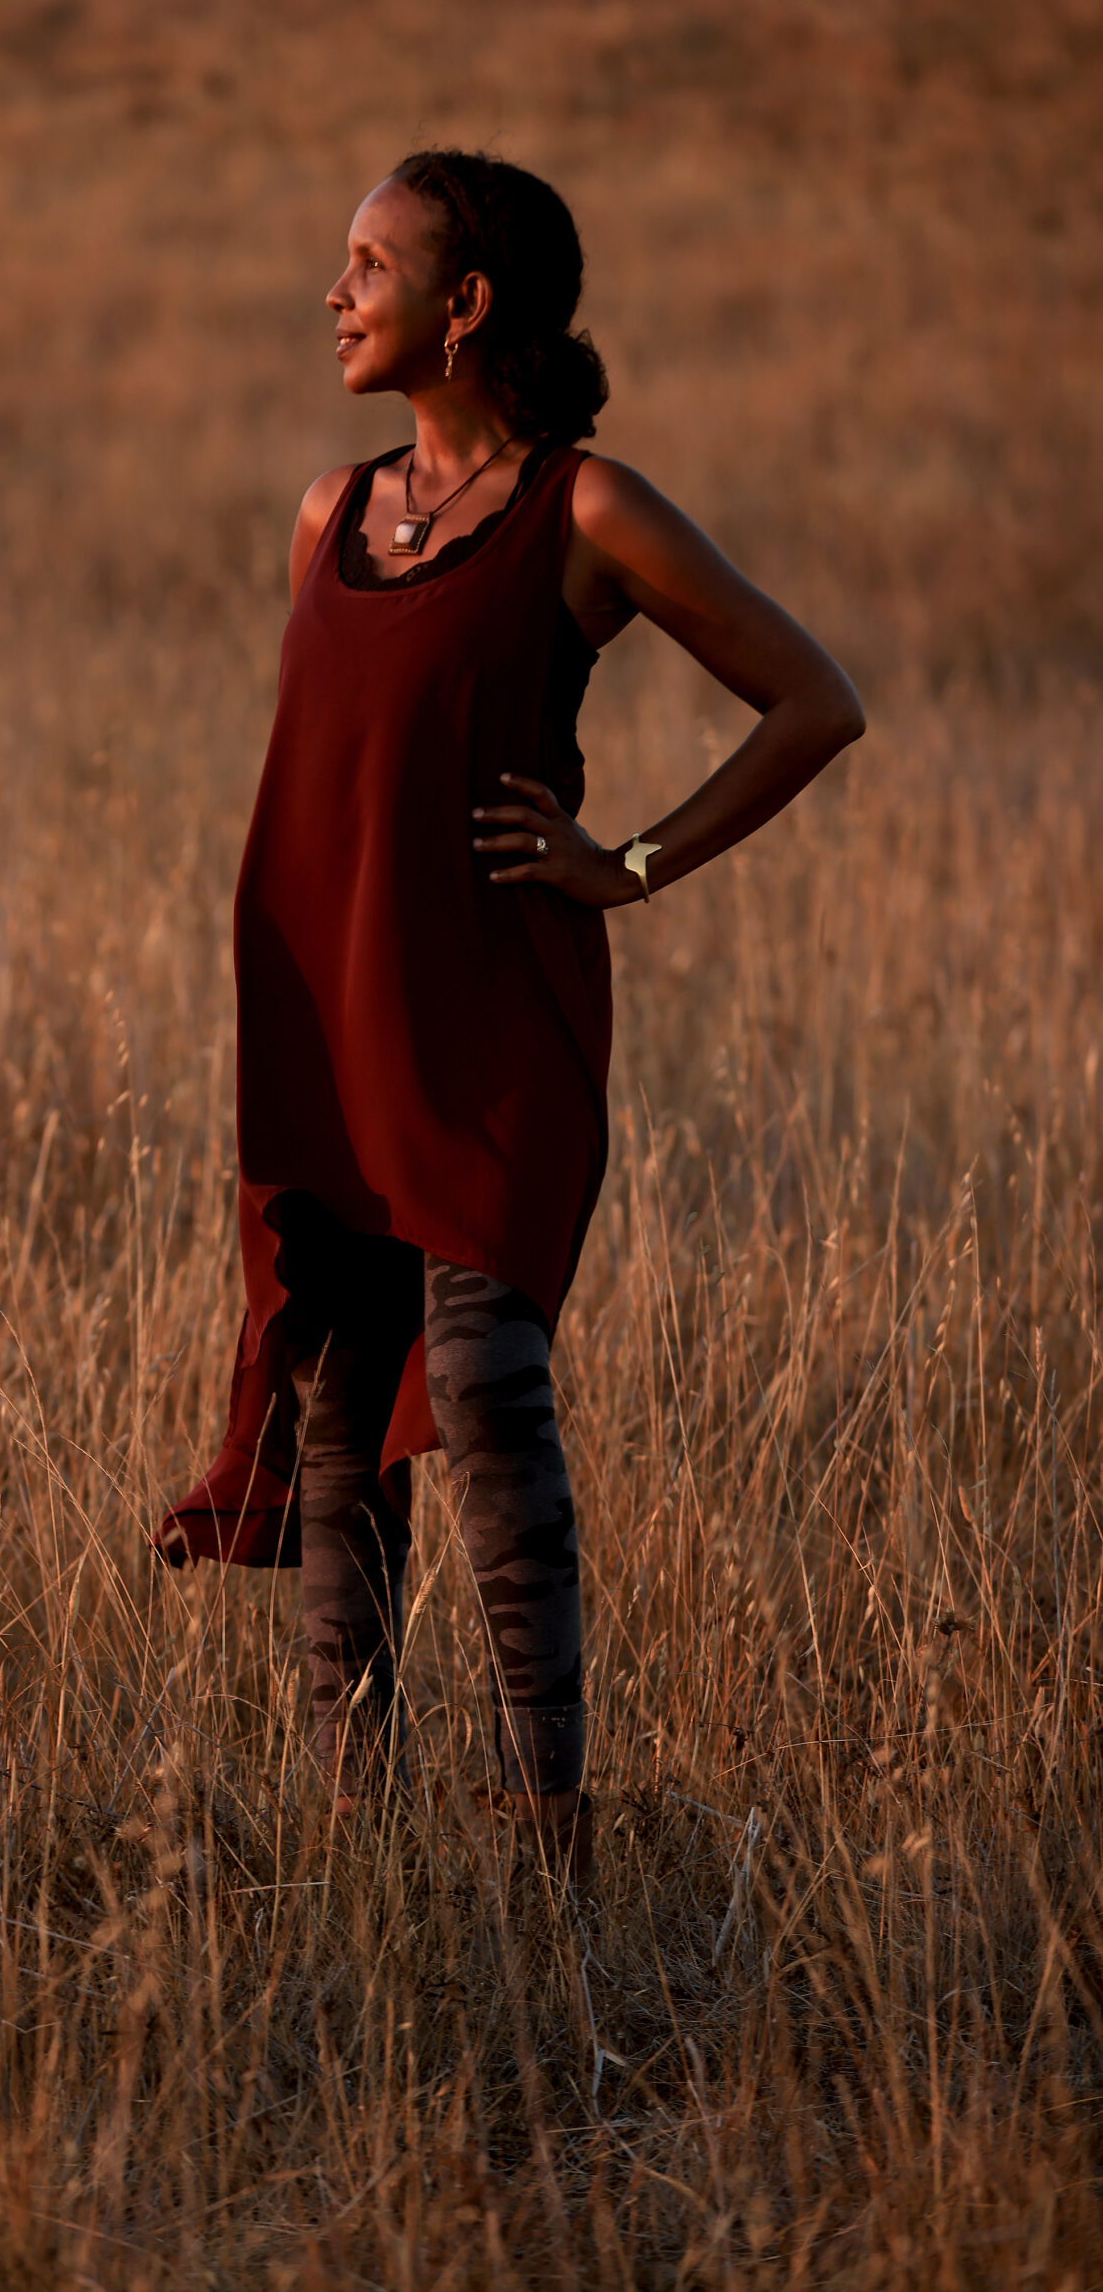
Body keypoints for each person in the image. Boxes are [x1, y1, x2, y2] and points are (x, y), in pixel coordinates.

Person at [156, 149, 864, 1875]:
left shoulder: (585, 510)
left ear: (461, 307)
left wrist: (625, 859)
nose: (335, 293)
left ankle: (550, 1827)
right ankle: (355, 1830)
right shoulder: (328, 516)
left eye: (368, 264)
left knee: (482, 1380)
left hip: (495, 1020)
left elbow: (810, 700)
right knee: (336, 1401)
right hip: (329, 1008)